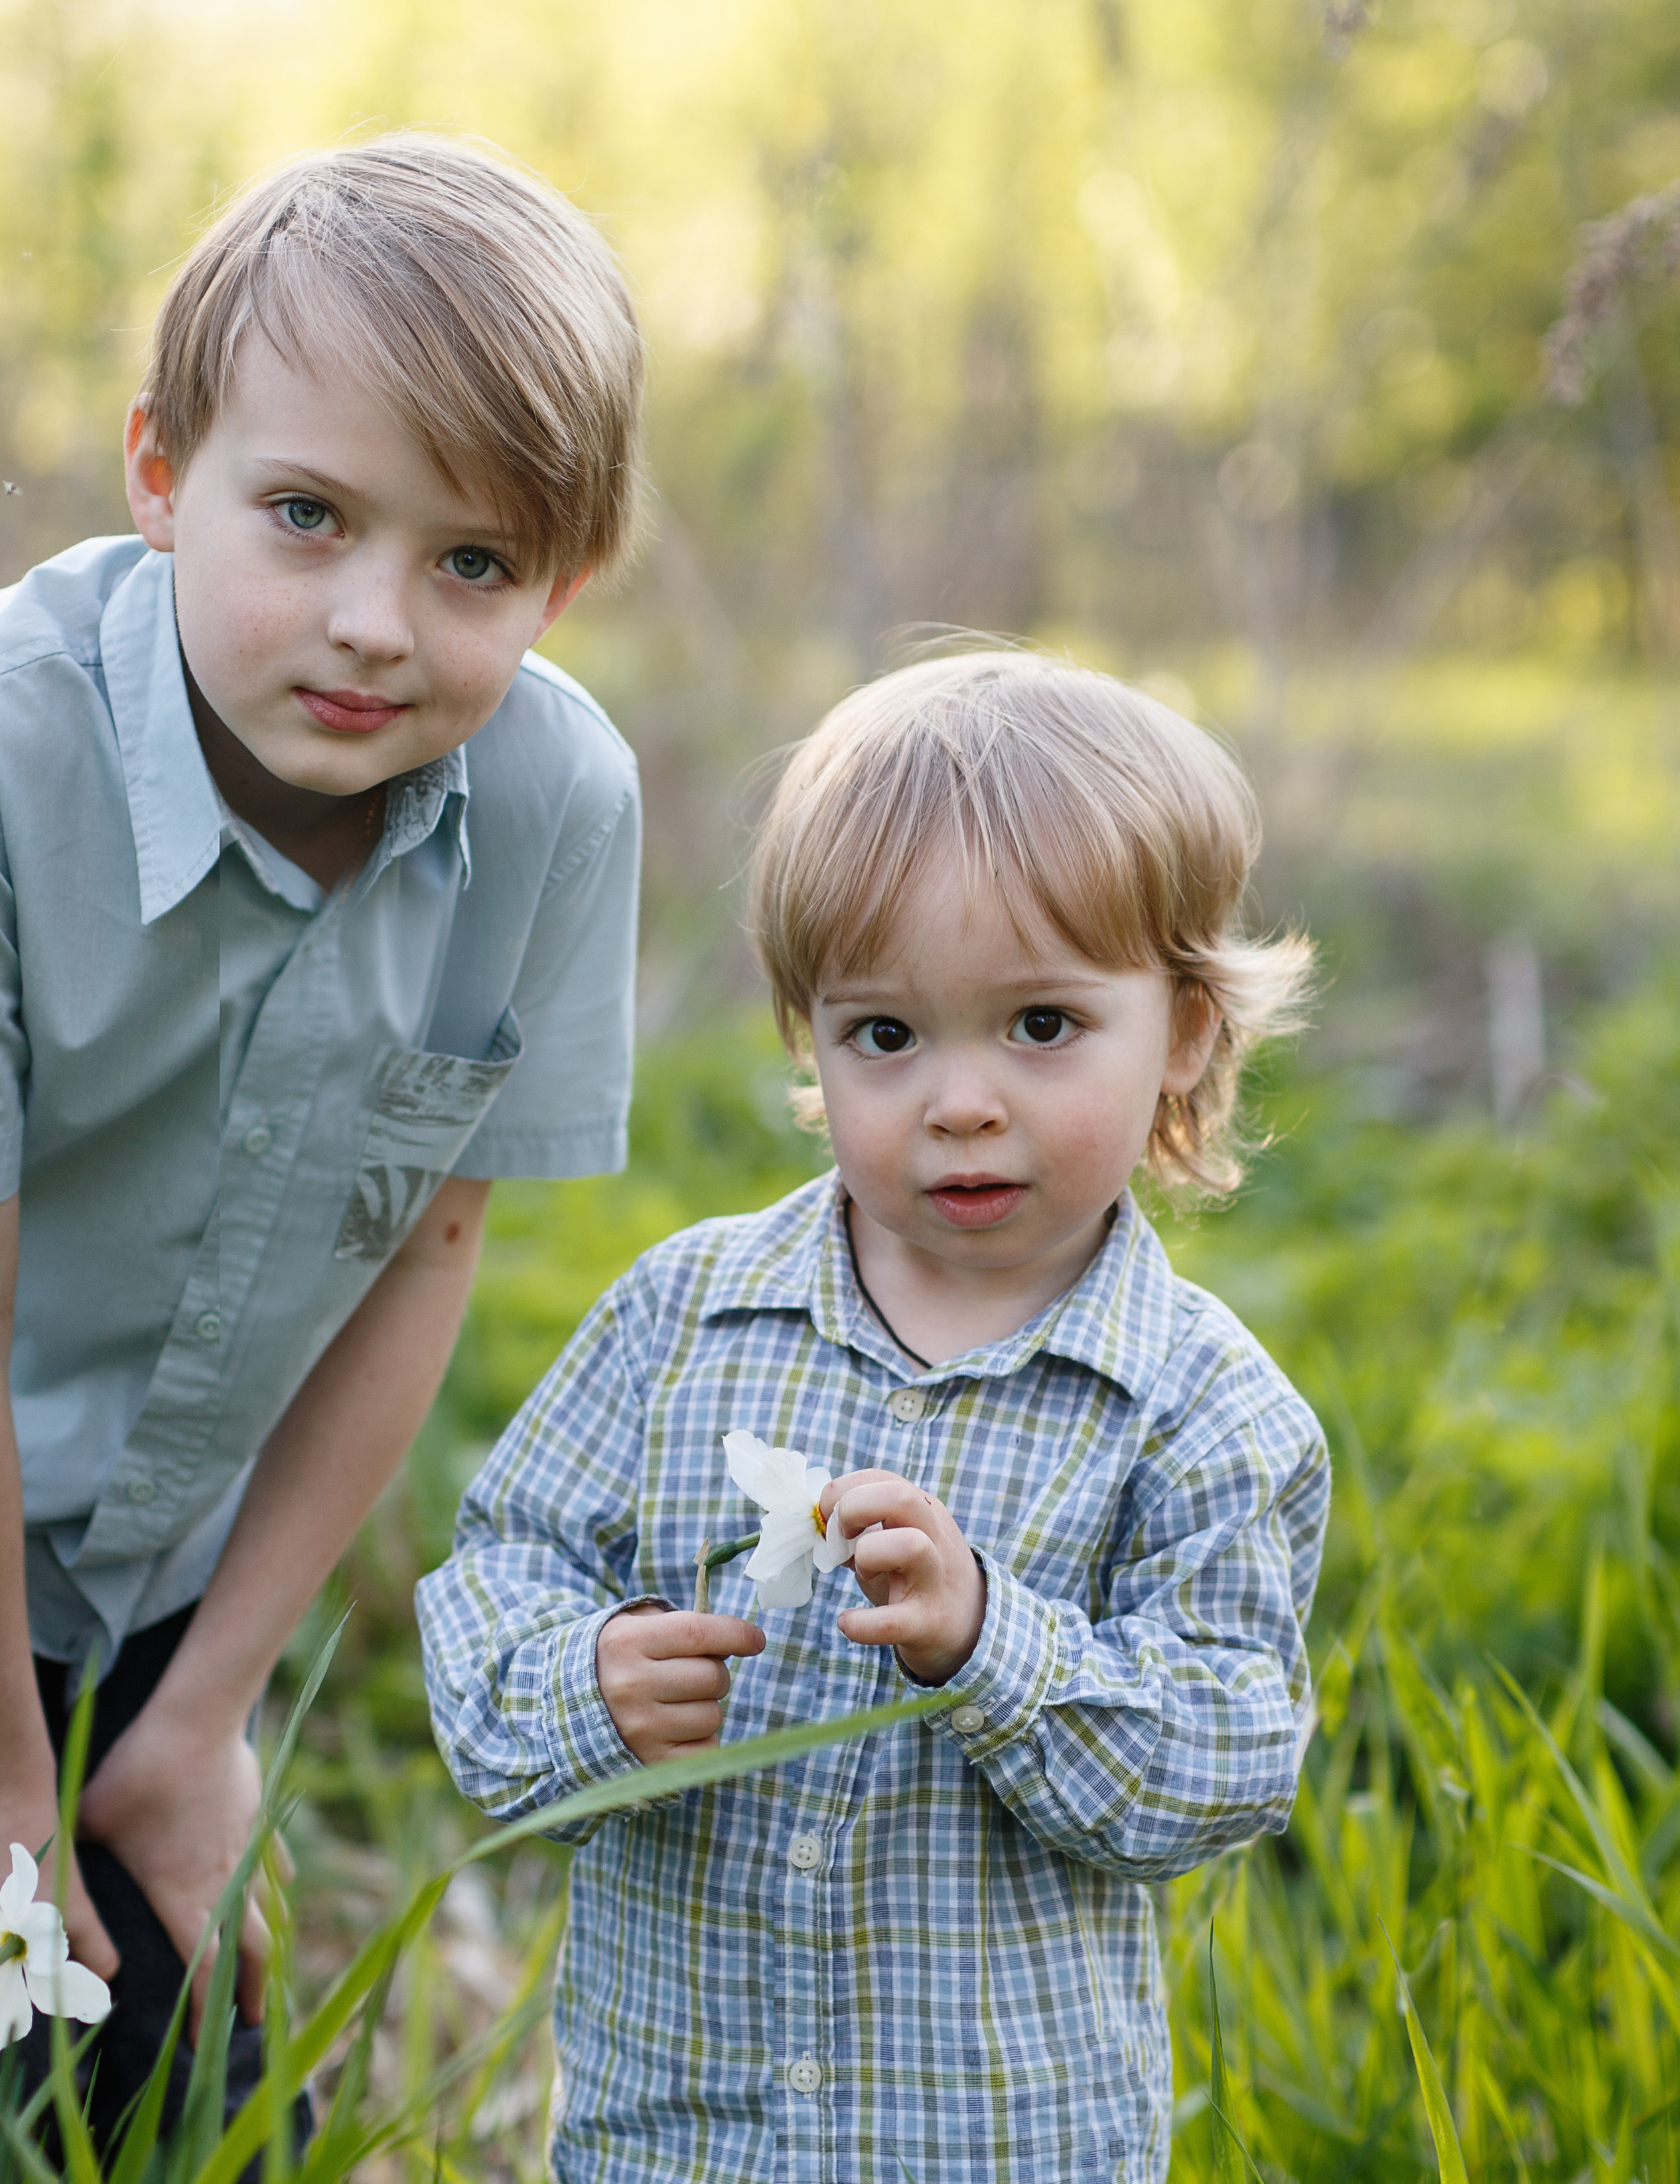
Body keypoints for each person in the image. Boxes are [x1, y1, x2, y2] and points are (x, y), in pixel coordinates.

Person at [419, 648, 1332, 2183]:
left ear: (1183, 1030)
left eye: (1039, 1023)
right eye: (886, 1035)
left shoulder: (1200, 1408)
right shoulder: (681, 1317)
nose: (957, 1101)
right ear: (809, 1037)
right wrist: (587, 1682)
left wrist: (989, 1642)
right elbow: (493, 1577)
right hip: (674, 2138)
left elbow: (1221, 1761)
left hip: (995, 2145)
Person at [0, 132, 644, 2150]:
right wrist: (3, 1782)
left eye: (472, 564)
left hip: (150, 1588)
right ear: (159, 472)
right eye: (306, 516)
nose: (373, 623)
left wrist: (194, 1721)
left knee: (176, 2105)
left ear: (561, 587)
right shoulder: (3, 751)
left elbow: (424, 1254)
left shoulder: (551, 801)